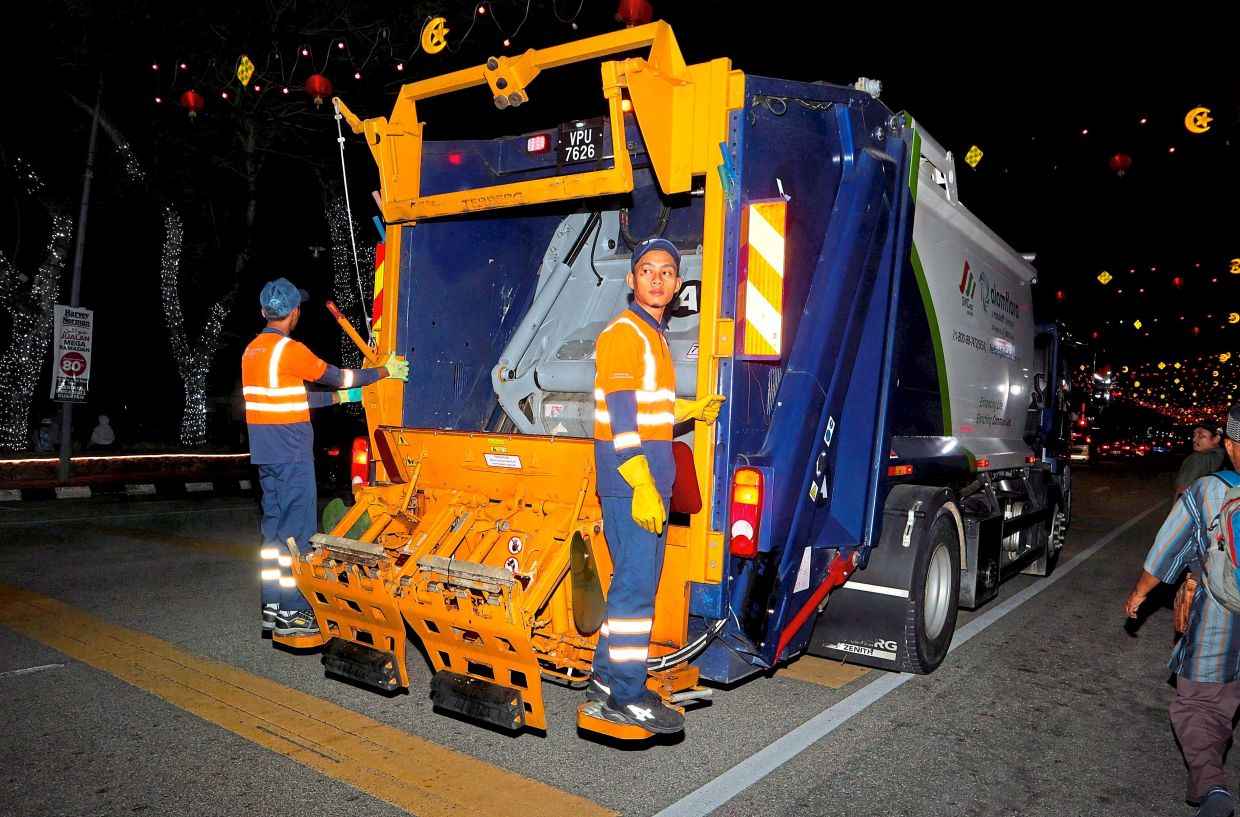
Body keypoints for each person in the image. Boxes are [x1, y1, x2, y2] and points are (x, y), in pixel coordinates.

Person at [586, 237, 724, 734]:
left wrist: (688, 409)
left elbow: (645, 407)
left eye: (667, 272)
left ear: (679, 284)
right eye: (648, 270)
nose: (658, 279)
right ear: (632, 280)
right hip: (633, 483)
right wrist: (642, 482)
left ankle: (603, 679)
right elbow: (623, 418)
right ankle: (627, 695)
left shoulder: (651, 335)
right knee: (637, 592)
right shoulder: (626, 333)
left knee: (628, 584)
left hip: (637, 481)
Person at [242, 278, 408, 638]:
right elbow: (337, 375)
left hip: (267, 456)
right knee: (298, 535)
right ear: (294, 313)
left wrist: (342, 400)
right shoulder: (290, 350)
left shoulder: (253, 352)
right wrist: (384, 371)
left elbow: (291, 401)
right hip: (291, 455)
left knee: (273, 534)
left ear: (263, 312)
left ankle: (272, 606)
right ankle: (294, 613)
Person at [1125, 403, 1240, 817]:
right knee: (1222, 705)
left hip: (1219, 614)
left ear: (1228, 444)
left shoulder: (1210, 490)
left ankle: (1212, 788)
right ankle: (1206, 788)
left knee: (1200, 702)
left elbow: (1167, 548)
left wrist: (1140, 592)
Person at [1177, 419, 1226, 497]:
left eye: (1201, 436)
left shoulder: (1196, 459)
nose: (1194, 439)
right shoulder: (1227, 457)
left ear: (1215, 439)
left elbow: (1182, 493)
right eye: (1194, 435)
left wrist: (1175, 508)